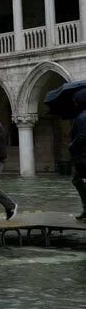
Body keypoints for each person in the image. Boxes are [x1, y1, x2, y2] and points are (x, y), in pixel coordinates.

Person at [70, 88, 86, 221]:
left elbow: (82, 136)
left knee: (77, 180)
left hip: (83, 156)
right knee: (77, 180)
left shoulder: (82, 117)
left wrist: (72, 146)